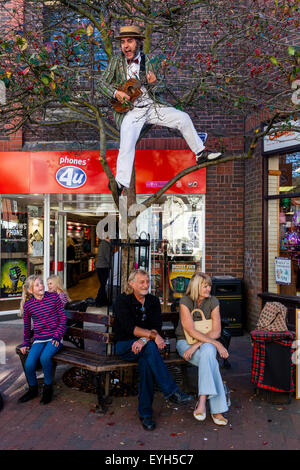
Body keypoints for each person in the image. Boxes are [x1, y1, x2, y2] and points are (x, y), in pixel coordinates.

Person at [98, 25, 222, 196]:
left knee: (183, 118)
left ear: (138, 43)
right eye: (123, 42)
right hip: (132, 111)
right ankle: (120, 183)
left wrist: (154, 82)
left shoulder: (149, 62)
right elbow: (101, 84)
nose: (126, 46)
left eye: (130, 41)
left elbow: (162, 86)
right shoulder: (115, 62)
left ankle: (200, 153)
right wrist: (116, 92)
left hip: (152, 106)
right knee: (126, 143)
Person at [113, 268, 193, 431]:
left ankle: (146, 415)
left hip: (145, 347)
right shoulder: (122, 300)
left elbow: (156, 327)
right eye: (142, 282)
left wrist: (145, 339)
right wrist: (151, 337)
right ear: (131, 284)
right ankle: (171, 391)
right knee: (150, 347)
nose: (146, 285)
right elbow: (129, 328)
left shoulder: (153, 301)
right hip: (125, 345)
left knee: (146, 364)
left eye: (148, 281)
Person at [176, 272, 229, 425]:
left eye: (209, 286)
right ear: (196, 286)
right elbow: (190, 330)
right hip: (185, 342)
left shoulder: (213, 301)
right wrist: (217, 344)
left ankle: (202, 400)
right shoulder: (185, 301)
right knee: (210, 359)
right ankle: (218, 410)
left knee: (207, 353)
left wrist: (197, 345)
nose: (208, 289)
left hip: (205, 343)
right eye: (205, 286)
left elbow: (217, 331)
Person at [18, 275, 67, 405]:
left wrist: (58, 336)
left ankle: (47, 388)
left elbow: (63, 319)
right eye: (37, 285)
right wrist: (26, 343)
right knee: (29, 364)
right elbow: (27, 327)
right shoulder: (28, 305)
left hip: (55, 337)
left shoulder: (54, 297)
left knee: (45, 358)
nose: (42, 286)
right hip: (39, 339)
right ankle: (33, 389)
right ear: (30, 290)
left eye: (41, 283)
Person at [95, 235, 111, 307]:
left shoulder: (103, 243)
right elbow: (108, 258)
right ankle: (98, 301)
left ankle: (104, 301)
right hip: (103, 267)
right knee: (103, 285)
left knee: (103, 284)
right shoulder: (105, 244)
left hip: (101, 267)